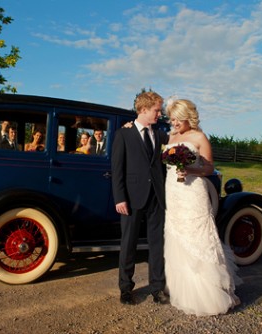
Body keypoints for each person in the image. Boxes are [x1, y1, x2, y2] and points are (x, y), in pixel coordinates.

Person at [163, 98, 241, 316]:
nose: (174, 122)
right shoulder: (170, 136)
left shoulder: (199, 137)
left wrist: (190, 170)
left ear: (189, 117)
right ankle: (182, 289)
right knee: (176, 235)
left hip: (192, 191)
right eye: (172, 118)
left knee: (199, 236)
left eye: (178, 118)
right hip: (173, 190)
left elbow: (208, 168)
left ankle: (210, 292)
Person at [111, 90, 169, 305]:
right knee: (128, 244)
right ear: (144, 110)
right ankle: (126, 289)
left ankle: (157, 288)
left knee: (157, 245)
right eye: (156, 110)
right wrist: (119, 198)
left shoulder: (160, 133)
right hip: (131, 199)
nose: (159, 114)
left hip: (156, 198)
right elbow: (117, 170)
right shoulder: (123, 134)